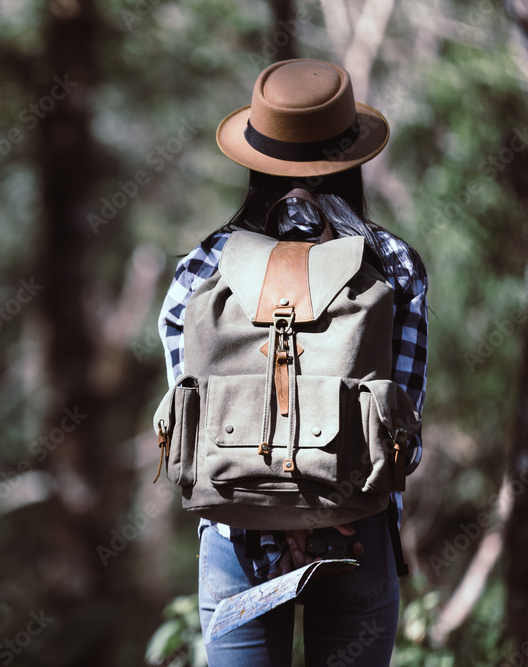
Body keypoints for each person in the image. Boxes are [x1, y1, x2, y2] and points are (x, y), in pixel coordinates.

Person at [157, 59, 428, 666]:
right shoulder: (392, 265)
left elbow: (188, 417)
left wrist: (272, 515)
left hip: (234, 537)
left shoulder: (201, 271)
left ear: (256, 159)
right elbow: (404, 421)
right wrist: (324, 510)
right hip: (357, 531)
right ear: (351, 159)